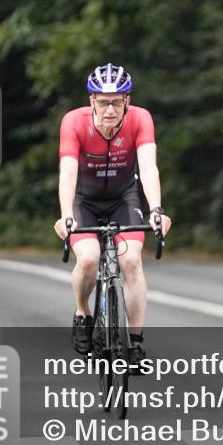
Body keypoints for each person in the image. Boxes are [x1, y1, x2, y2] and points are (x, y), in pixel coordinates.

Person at [53, 63, 171, 370]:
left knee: (131, 261)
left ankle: (134, 344)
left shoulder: (140, 119)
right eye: (103, 101)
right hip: (84, 200)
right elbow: (67, 171)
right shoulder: (74, 122)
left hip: (123, 197)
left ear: (127, 102)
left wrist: (156, 209)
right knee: (90, 258)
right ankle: (82, 312)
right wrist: (66, 215)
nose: (110, 109)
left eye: (117, 101)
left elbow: (148, 167)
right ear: (91, 101)